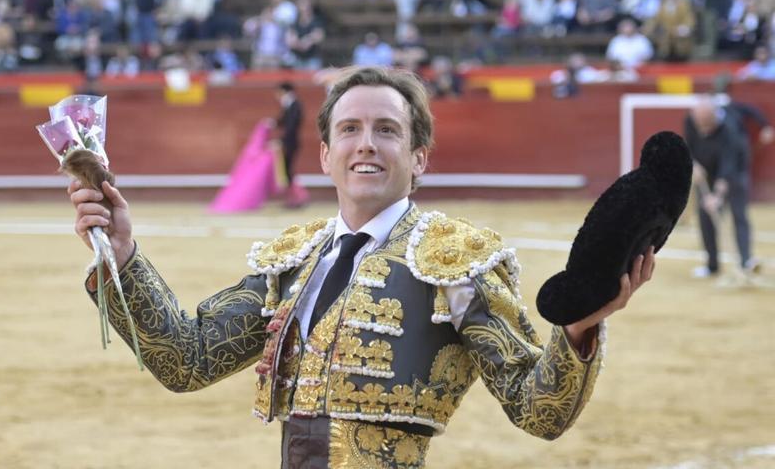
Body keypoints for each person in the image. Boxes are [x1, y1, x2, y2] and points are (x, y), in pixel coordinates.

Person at [68, 66, 654, 468]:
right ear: (325, 155)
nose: (366, 145)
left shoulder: (455, 260)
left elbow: (537, 408)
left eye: (387, 131)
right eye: (349, 130)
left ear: (418, 157)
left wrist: (578, 328)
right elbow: (186, 360)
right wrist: (123, 256)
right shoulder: (295, 262)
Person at [684, 97, 757, 278]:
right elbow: (688, 147)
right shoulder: (690, 121)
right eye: (699, 124)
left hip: (734, 171)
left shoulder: (729, 130)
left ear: (715, 117)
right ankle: (712, 266)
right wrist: (693, 164)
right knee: (705, 216)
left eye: (706, 124)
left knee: (738, 213)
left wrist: (717, 196)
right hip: (706, 170)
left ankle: (745, 261)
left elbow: (728, 167)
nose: (703, 130)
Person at [275, 81, 308, 208]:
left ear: (284, 91)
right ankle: (295, 198)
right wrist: (272, 123)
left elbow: (291, 126)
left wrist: (282, 140)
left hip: (290, 142)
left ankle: (297, 198)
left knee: (288, 171)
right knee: (288, 171)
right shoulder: (290, 104)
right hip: (290, 141)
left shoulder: (295, 104)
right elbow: (284, 121)